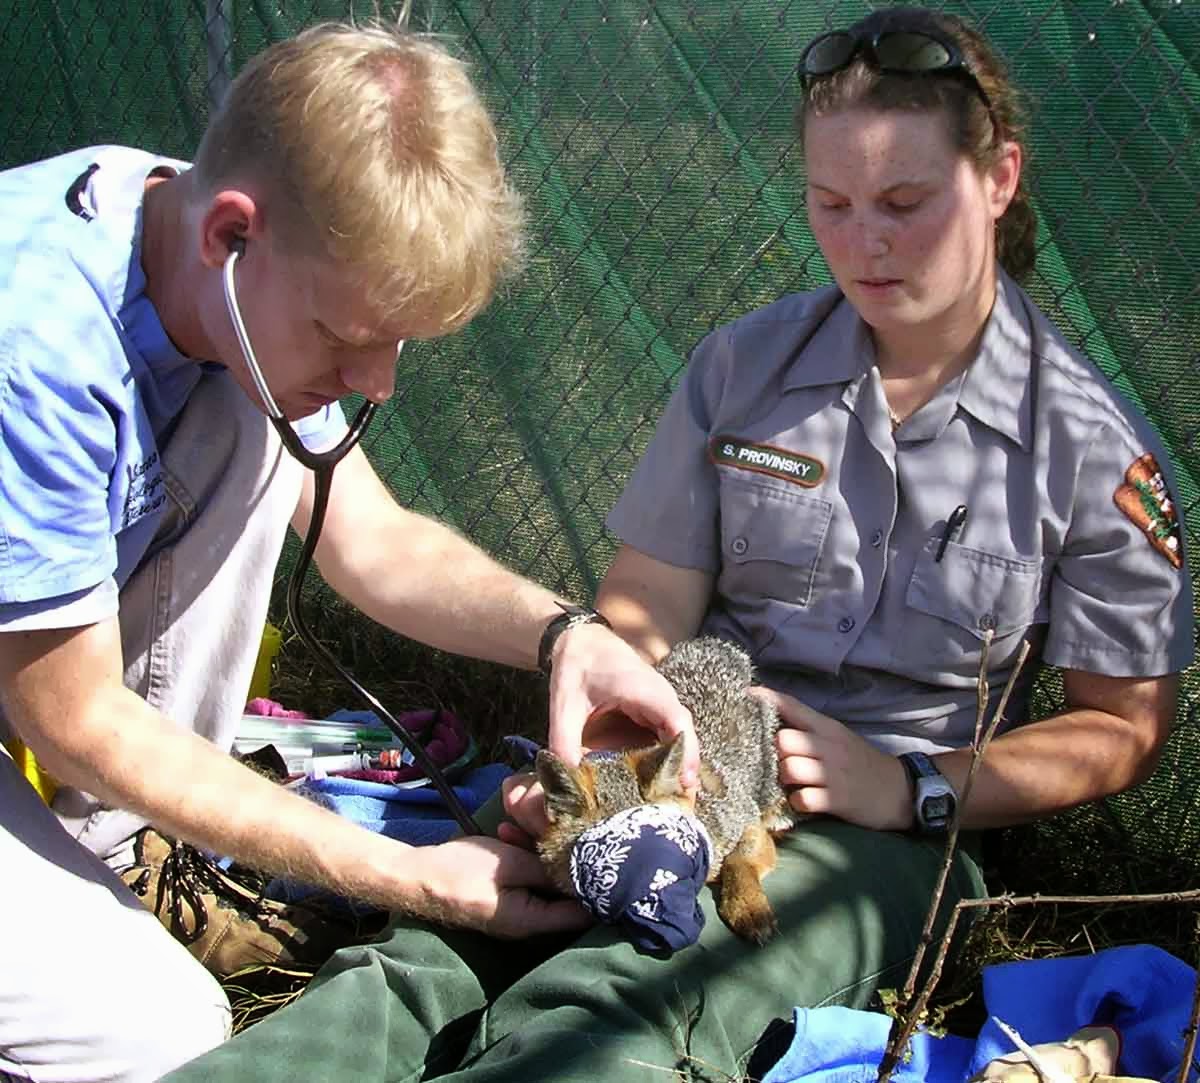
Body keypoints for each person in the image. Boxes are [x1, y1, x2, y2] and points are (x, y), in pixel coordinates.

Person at [159, 7, 1193, 1083]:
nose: (863, 242)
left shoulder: (1087, 449)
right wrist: (603, 759)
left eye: (903, 203)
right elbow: (645, 603)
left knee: (629, 997)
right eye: (830, 204)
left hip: (868, 840)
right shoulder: (742, 371)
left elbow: (1122, 728)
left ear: (999, 179)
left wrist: (914, 785)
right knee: (434, 950)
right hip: (672, 760)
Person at [0, 21, 697, 1083]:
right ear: (231, 235)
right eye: (347, 336)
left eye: (397, 341)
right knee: (153, 1034)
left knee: (249, 418)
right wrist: (409, 877)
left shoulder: (229, 254)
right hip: (51, 699)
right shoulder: (35, 347)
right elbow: (74, 715)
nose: (378, 384)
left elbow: (367, 542)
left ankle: (131, 858)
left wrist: (568, 637)